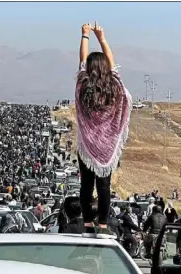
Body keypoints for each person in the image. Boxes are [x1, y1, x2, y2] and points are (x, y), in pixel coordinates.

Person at [75, 22, 132, 235]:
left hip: (87, 146)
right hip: (108, 148)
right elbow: (113, 63)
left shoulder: (83, 84)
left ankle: (88, 223)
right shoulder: (115, 86)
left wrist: (85, 35)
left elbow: (82, 60)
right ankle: (103, 224)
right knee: (104, 186)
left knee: (86, 185)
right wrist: (102, 37)